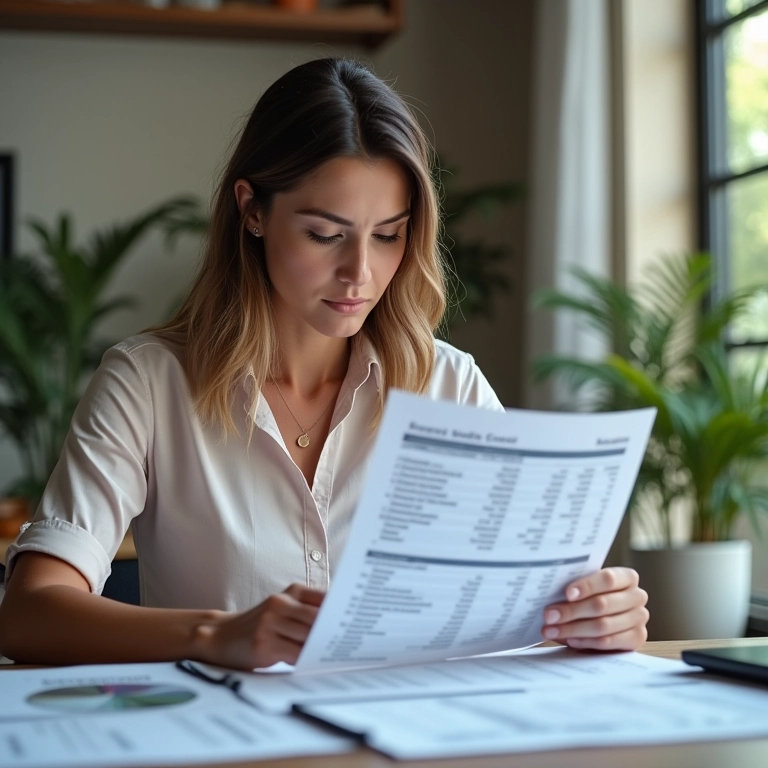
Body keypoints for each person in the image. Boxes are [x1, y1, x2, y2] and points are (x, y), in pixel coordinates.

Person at [0, 58, 648, 669]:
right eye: (325, 233)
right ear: (252, 210)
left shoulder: (449, 385)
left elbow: (522, 610)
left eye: (388, 234)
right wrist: (217, 633)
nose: (360, 273)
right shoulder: (147, 381)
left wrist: (595, 616)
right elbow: (28, 616)